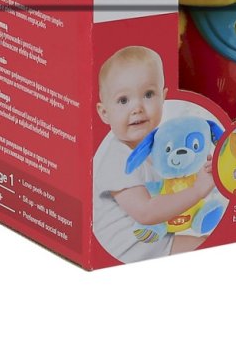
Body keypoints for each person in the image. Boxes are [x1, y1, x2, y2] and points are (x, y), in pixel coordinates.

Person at [92, 46, 215, 262]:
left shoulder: (158, 143)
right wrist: (197, 190)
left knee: (209, 241)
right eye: (123, 100)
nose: (137, 108)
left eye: (148, 94)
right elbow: (146, 213)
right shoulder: (117, 159)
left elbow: (173, 179)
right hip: (128, 251)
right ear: (104, 112)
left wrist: (202, 170)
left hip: (154, 239)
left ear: (163, 98)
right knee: (205, 246)